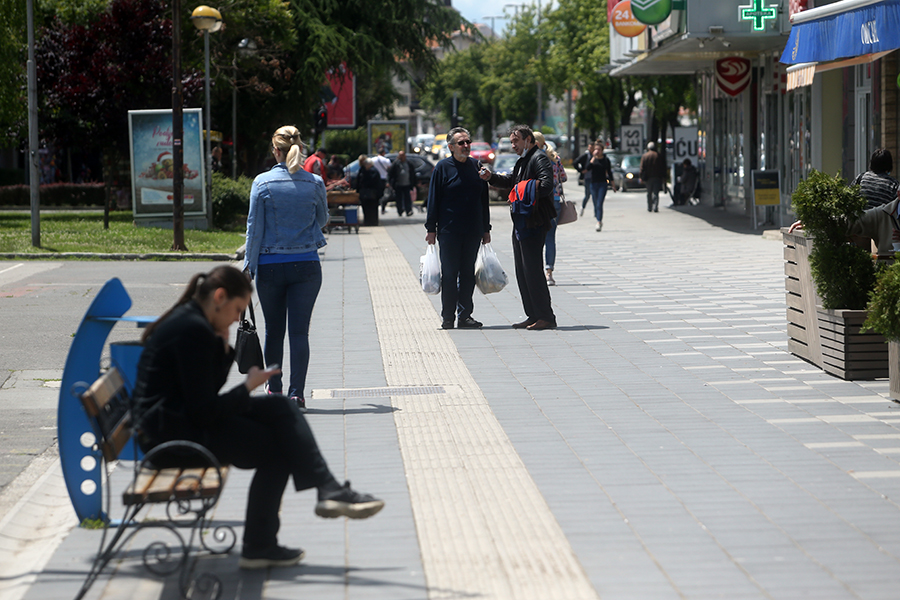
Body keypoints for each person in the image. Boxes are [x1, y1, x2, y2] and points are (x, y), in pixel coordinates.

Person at [132, 265, 384, 571]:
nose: (238, 318)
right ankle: (262, 542)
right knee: (277, 448)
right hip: (171, 439)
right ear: (220, 297)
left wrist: (223, 349)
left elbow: (203, 400)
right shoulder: (191, 330)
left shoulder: (194, 321)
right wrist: (245, 382)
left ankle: (326, 490)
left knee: (281, 407)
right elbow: (205, 410)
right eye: (238, 310)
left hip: (176, 424)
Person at [244, 125, 328, 413]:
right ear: (299, 147)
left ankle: (275, 391)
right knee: (299, 334)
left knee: (274, 332)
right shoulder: (315, 182)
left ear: (275, 149)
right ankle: (297, 395)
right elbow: (323, 217)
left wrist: (248, 266)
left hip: (269, 266)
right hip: (307, 265)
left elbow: (254, 229)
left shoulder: (262, 183)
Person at [480, 124, 556, 330]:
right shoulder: (523, 160)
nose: (513, 145)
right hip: (521, 222)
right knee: (522, 271)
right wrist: (491, 178)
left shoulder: (538, 158)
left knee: (532, 270)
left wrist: (521, 190)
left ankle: (546, 317)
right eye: (511, 141)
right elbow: (511, 182)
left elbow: (547, 184)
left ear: (528, 140)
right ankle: (532, 315)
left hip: (534, 222)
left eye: (516, 141)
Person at [426, 127, 491, 330]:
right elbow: (433, 200)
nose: (466, 146)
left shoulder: (476, 166)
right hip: (449, 231)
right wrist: (431, 228)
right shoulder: (442, 168)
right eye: (461, 143)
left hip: (472, 230)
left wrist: (486, 228)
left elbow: (484, 200)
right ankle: (447, 317)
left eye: (468, 142)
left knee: (468, 274)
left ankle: (465, 316)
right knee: (450, 273)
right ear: (451, 147)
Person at [788, 186, 900, 255]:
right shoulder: (882, 215)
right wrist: (815, 222)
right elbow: (848, 222)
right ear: (899, 195)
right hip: (888, 286)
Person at [534, 132, 566, 286]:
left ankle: (537, 273)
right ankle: (549, 273)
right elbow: (563, 177)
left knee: (536, 237)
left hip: (540, 203)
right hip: (555, 202)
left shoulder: (534, 159)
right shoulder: (555, 158)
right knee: (550, 238)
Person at [588, 145, 614, 232]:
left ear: (602, 150)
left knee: (599, 203)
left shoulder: (606, 160)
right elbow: (588, 168)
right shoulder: (593, 159)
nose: (597, 151)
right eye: (596, 149)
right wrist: (593, 157)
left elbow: (609, 172)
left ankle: (599, 221)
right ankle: (598, 216)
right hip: (593, 184)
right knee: (595, 203)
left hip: (602, 184)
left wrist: (613, 185)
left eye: (599, 149)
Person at [388, 150, 418, 217]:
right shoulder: (396, 164)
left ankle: (408, 210)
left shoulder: (409, 163)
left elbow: (413, 174)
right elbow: (390, 174)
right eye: (400, 156)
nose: (401, 157)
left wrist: (414, 183)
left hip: (407, 184)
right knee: (398, 198)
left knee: (407, 198)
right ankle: (400, 211)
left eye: (402, 155)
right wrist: (391, 183)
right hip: (398, 184)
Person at [356, 155, 382, 226]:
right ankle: (369, 221)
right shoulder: (363, 170)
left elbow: (371, 182)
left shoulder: (372, 171)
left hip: (371, 193)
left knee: (371, 208)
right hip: (367, 193)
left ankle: (372, 221)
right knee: (367, 208)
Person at [640, 141, 666, 213]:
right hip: (657, 177)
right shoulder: (659, 155)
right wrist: (664, 177)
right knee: (656, 193)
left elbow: (642, 168)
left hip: (648, 178)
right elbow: (663, 167)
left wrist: (641, 177)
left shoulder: (645, 156)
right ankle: (655, 207)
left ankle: (649, 207)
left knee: (649, 192)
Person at [573, 142, 594, 217]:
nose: (590, 149)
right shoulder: (585, 156)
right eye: (589, 148)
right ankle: (583, 207)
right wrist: (580, 170)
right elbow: (575, 162)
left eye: (592, 148)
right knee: (587, 195)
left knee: (595, 195)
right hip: (587, 178)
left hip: (595, 178)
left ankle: (596, 211)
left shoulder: (597, 156)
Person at [371, 148, 392, 214]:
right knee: (384, 194)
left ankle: (375, 208)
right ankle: (383, 208)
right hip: (384, 178)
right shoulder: (386, 160)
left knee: (376, 194)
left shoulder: (372, 160)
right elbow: (390, 169)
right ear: (383, 153)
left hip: (375, 179)